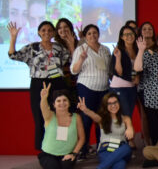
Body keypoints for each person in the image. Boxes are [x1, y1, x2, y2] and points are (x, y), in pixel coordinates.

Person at [8, 21, 71, 150]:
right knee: (40, 117)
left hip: (57, 83)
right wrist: (13, 37)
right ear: (38, 32)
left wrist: (71, 43)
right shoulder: (32, 47)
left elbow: (69, 59)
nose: (46, 32)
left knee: (61, 116)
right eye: (43, 30)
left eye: (49, 30)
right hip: (38, 85)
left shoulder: (59, 48)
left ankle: (62, 147)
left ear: (53, 33)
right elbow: (13, 55)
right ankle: (43, 149)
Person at [37, 83, 85, 169]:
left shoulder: (76, 118)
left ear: (69, 103)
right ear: (53, 104)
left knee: (66, 168)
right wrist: (43, 98)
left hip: (67, 154)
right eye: (58, 101)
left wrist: (74, 153)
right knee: (53, 168)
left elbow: (81, 138)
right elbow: (43, 108)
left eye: (65, 100)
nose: (62, 103)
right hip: (48, 155)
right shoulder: (49, 116)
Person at [78, 92, 133, 169]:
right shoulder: (102, 118)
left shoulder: (125, 118)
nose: (113, 105)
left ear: (119, 103)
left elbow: (130, 129)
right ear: (105, 106)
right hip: (106, 149)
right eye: (110, 104)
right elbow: (93, 116)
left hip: (121, 148)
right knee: (120, 163)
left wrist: (130, 129)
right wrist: (85, 110)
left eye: (115, 102)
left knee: (127, 148)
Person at [70, 24, 111, 155]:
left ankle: (101, 148)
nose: (92, 35)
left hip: (104, 89)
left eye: (95, 32)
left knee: (102, 120)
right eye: (89, 33)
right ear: (85, 36)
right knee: (86, 120)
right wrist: (81, 59)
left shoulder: (105, 50)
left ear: (98, 34)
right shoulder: (80, 49)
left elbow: (109, 70)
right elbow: (74, 70)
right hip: (86, 88)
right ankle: (83, 149)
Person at [109, 25, 139, 123]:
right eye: (126, 34)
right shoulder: (119, 50)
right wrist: (118, 58)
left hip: (132, 88)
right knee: (124, 117)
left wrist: (138, 77)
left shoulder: (138, 49)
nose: (129, 36)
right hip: (119, 88)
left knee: (129, 116)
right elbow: (119, 72)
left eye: (131, 34)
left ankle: (127, 133)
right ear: (121, 37)